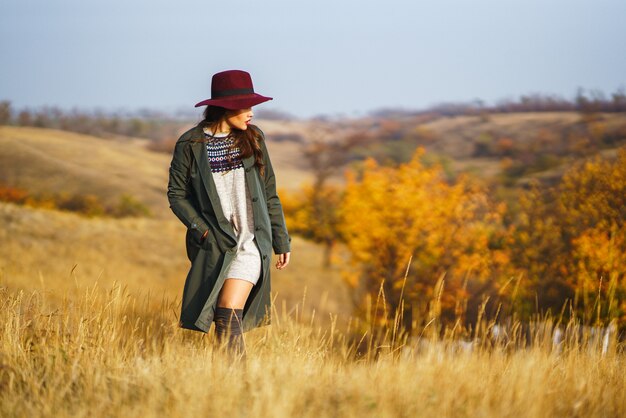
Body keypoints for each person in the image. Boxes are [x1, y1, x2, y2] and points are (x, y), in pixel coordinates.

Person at [167, 69, 291, 358]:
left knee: (227, 313)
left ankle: (237, 381)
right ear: (226, 107)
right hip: (216, 245)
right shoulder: (191, 144)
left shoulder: (254, 138)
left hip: (250, 242)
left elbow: (269, 191)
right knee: (223, 318)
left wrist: (280, 240)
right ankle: (231, 382)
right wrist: (203, 229)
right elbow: (176, 194)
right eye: (245, 106)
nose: (251, 113)